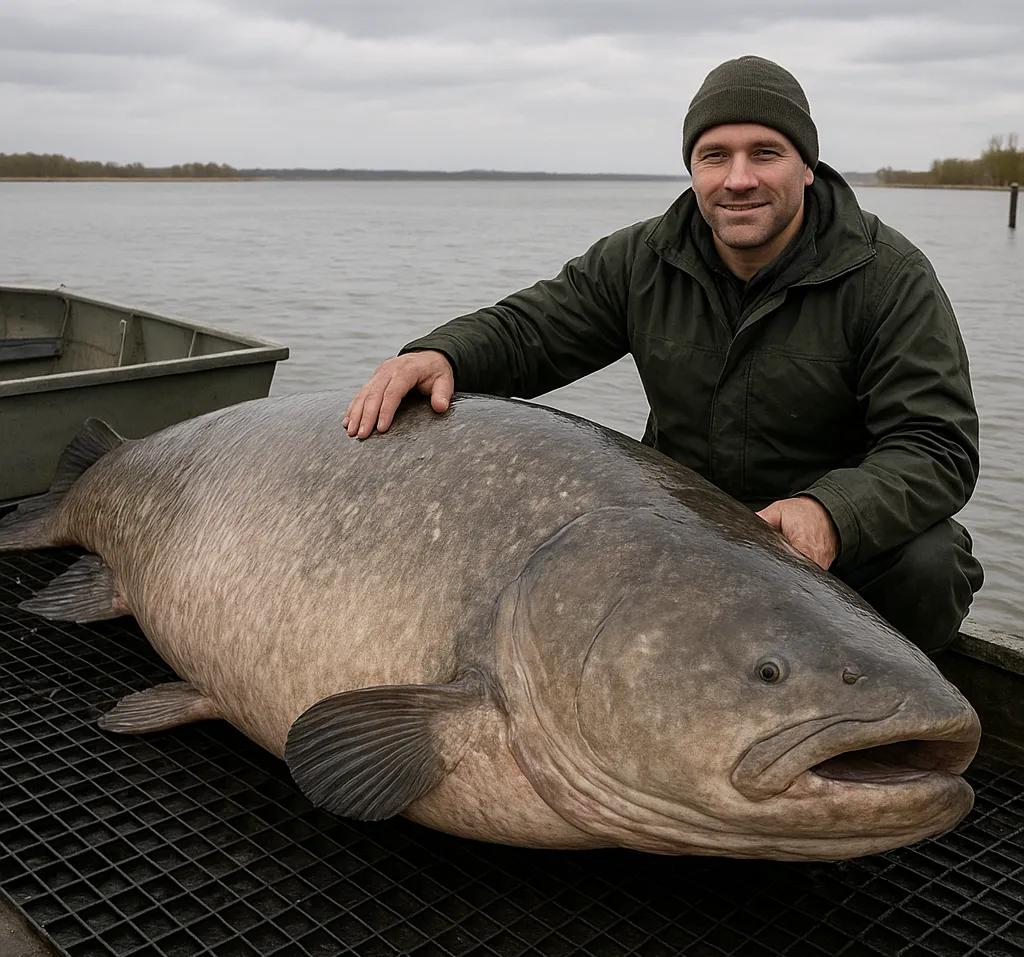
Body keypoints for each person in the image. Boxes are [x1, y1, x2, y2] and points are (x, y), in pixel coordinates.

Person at [344, 55, 983, 654]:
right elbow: (531, 331)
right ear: (692, 169)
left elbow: (936, 445)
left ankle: (861, 712)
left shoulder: (889, 275)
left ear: (807, 166)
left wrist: (830, 513)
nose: (739, 179)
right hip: (684, 527)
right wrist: (443, 354)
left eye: (766, 153)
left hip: (827, 547)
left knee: (933, 564)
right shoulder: (645, 258)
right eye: (715, 157)